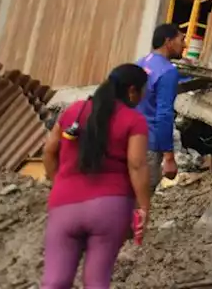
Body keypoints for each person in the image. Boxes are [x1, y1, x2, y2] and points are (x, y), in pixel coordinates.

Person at [42, 63, 151, 289]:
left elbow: (50, 150)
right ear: (132, 90)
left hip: (64, 204)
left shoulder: (74, 111)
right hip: (111, 208)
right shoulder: (134, 120)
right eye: (143, 90)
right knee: (96, 281)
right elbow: (137, 165)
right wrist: (144, 207)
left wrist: (58, 183)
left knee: (55, 281)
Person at [138, 24, 186, 190]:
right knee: (139, 203)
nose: (184, 45)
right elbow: (164, 115)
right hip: (148, 146)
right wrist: (169, 158)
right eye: (181, 39)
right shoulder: (168, 72)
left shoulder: (142, 62)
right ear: (169, 41)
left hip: (128, 139)